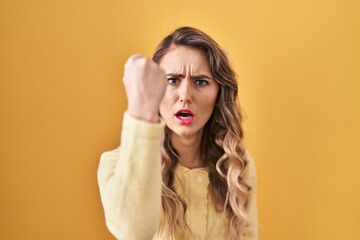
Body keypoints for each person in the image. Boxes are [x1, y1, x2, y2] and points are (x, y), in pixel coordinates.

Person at [97, 26, 258, 240]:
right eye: (172, 80)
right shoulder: (115, 164)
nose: (185, 95)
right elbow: (133, 232)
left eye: (200, 82)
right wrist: (140, 109)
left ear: (219, 94)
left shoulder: (236, 163)